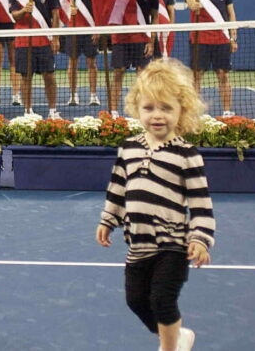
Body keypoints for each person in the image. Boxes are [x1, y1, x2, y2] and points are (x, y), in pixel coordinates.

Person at [96, 58, 214, 351]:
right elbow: (118, 187)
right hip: (138, 244)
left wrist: (200, 238)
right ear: (137, 108)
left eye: (166, 108)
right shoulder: (129, 148)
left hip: (172, 244)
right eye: (149, 108)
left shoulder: (187, 155)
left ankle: (170, 348)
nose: (156, 116)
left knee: (162, 299)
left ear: (181, 110)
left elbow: (200, 203)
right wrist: (108, 219)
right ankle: (178, 336)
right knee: (136, 301)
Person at [9, 0, 60, 118]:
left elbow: (56, 14)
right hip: (24, 41)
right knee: (26, 77)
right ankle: (28, 111)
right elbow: (14, 16)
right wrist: (24, 10)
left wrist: (56, 38)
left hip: (44, 40)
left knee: (49, 76)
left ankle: (52, 110)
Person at [109, 0, 159, 117]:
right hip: (121, 37)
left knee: (142, 76)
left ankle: (141, 112)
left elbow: (155, 17)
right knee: (118, 73)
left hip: (142, 38)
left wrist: (151, 42)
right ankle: (114, 112)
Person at [184, 0, 237, 117]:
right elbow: (190, 2)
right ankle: (193, 112)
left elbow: (231, 12)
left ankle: (227, 112)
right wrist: (194, 4)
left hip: (221, 38)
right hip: (199, 39)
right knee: (196, 76)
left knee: (223, 75)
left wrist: (233, 37)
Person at [64, 0, 100, 107]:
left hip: (88, 31)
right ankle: (73, 96)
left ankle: (93, 95)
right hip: (72, 31)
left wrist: (96, 29)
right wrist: (68, 10)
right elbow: (59, 11)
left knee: (92, 63)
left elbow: (96, 10)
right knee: (72, 64)